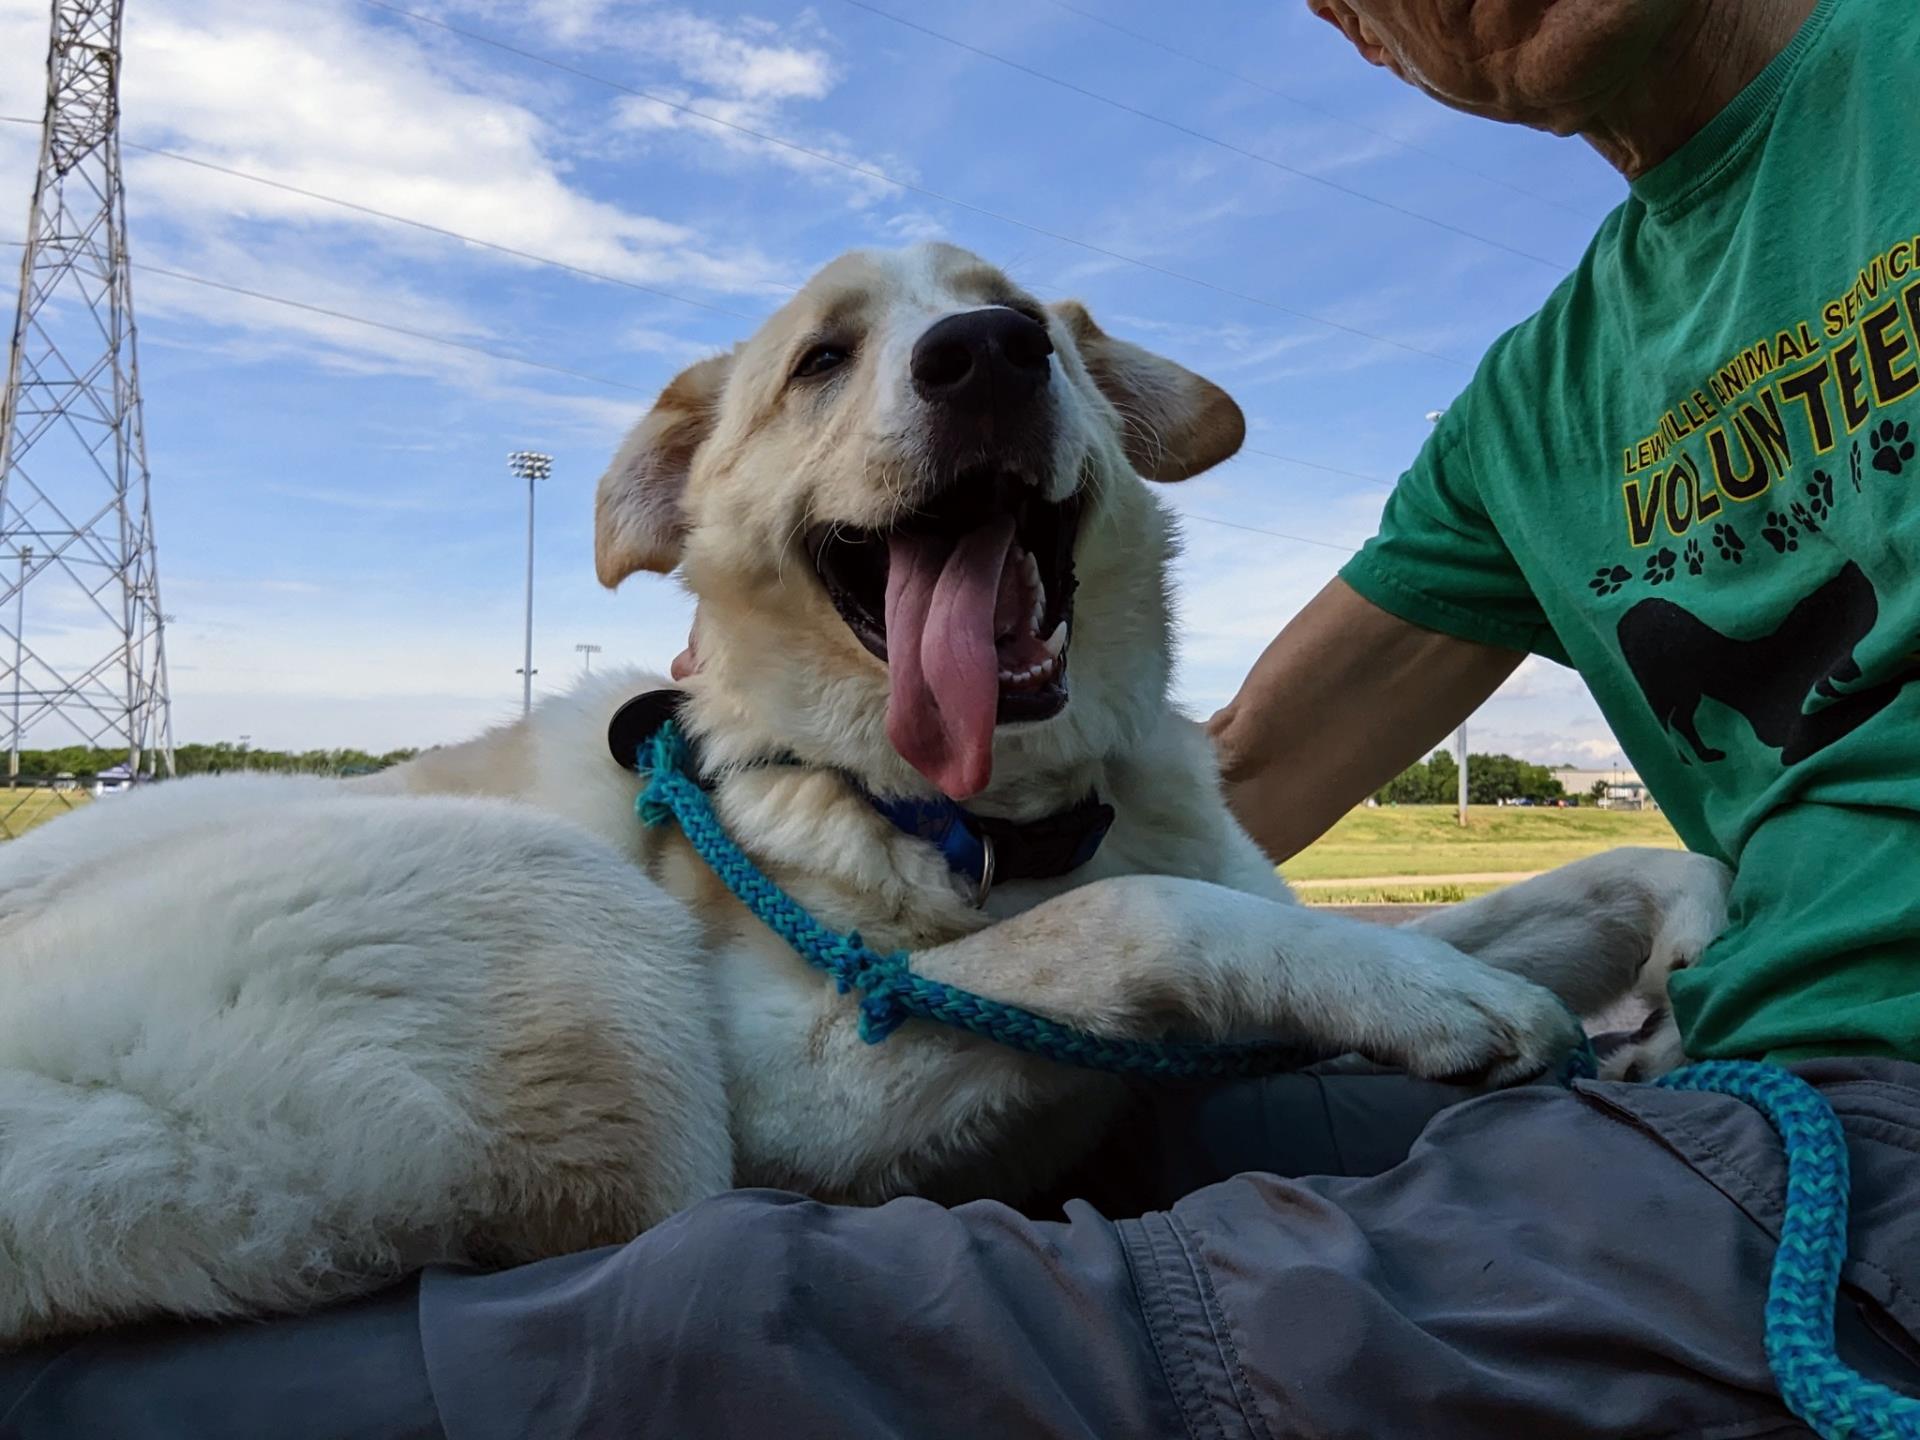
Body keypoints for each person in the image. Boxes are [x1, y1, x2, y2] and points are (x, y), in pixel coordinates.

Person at [5, 0, 1917, 1435]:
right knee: (708, 1231)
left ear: (1108, 425)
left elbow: (1212, 854)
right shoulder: (1543, 402)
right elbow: (1237, 818)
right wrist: (1182, 935)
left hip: (1855, 1118)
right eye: (823, 364)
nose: (957, 359)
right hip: (140, 1045)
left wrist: (1567, 904)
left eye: (1004, 336)